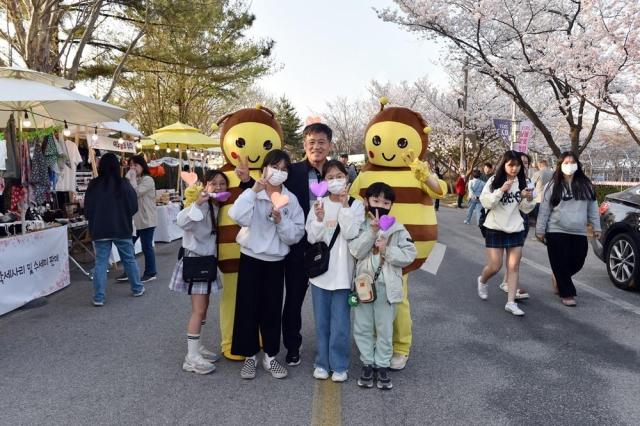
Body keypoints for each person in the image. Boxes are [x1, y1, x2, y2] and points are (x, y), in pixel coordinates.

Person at [228, 149, 305, 379]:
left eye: (284, 169)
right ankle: (249, 356)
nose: (279, 173)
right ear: (264, 168)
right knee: (247, 308)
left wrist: (280, 221)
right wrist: (253, 190)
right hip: (251, 257)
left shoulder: (290, 200)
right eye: (275, 167)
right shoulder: (255, 192)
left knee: (271, 310)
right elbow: (237, 216)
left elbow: (295, 234)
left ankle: (270, 356)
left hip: (275, 261)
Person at [349, 182, 417, 390]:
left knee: (385, 328)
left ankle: (382, 365)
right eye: (376, 200)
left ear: (391, 205)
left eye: (386, 202)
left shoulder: (398, 228)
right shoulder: (360, 225)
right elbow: (355, 251)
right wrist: (371, 233)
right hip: (364, 286)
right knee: (362, 327)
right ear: (367, 201)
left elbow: (409, 254)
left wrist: (387, 249)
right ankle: (368, 363)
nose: (380, 205)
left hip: (387, 287)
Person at [306, 160, 365, 382]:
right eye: (329, 177)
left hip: (343, 274)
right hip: (321, 275)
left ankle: (339, 365)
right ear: (323, 181)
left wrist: (345, 206)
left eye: (339, 176)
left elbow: (351, 233)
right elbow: (312, 237)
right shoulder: (318, 205)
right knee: (321, 323)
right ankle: (322, 362)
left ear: (347, 178)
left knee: (340, 324)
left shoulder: (356, 204)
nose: (335, 181)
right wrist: (319, 220)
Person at [282, 122, 334, 366]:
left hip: (331, 247)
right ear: (304, 145)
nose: (316, 147)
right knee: (293, 300)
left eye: (321, 142)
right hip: (299, 248)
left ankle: (331, 345)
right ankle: (293, 345)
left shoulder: (337, 172)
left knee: (331, 300)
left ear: (330, 145)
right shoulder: (292, 172)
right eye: (311, 142)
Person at [169, 170, 229, 375]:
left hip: (207, 261)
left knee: (204, 308)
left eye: (223, 184)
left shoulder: (216, 206)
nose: (219, 187)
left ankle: (198, 346)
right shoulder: (199, 205)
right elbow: (182, 222)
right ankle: (191, 357)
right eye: (214, 183)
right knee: (198, 309)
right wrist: (198, 203)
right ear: (205, 185)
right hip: (196, 261)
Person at [535, 152, 601, 307]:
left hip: (578, 230)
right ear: (560, 165)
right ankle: (567, 293)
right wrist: (540, 230)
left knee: (578, 260)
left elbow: (592, 207)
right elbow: (545, 209)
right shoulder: (552, 185)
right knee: (560, 261)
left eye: (572, 162)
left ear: (577, 165)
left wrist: (596, 226)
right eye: (566, 162)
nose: (569, 165)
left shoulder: (586, 185)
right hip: (556, 229)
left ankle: (559, 276)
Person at [477, 150, 535, 316]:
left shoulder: (525, 182)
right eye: (511, 165)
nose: (515, 168)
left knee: (513, 266)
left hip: (515, 227)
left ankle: (511, 302)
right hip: (494, 228)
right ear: (504, 165)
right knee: (495, 266)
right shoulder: (493, 181)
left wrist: (527, 198)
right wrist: (501, 190)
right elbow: (487, 202)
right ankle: (482, 280)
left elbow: (525, 209)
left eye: (517, 165)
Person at [84, 153, 145, 306]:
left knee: (101, 263)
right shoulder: (123, 183)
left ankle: (99, 297)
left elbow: (87, 209)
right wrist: (123, 215)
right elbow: (133, 206)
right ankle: (137, 288)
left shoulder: (93, 184)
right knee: (128, 259)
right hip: (121, 227)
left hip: (100, 229)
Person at [119, 155, 157, 283]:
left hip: (146, 219)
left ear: (142, 166)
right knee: (127, 246)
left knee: (146, 247)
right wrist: (127, 180)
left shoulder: (148, 180)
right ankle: (128, 271)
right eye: (131, 165)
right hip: (134, 220)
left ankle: (151, 272)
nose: (133, 168)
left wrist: (132, 179)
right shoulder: (132, 179)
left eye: (135, 165)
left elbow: (135, 193)